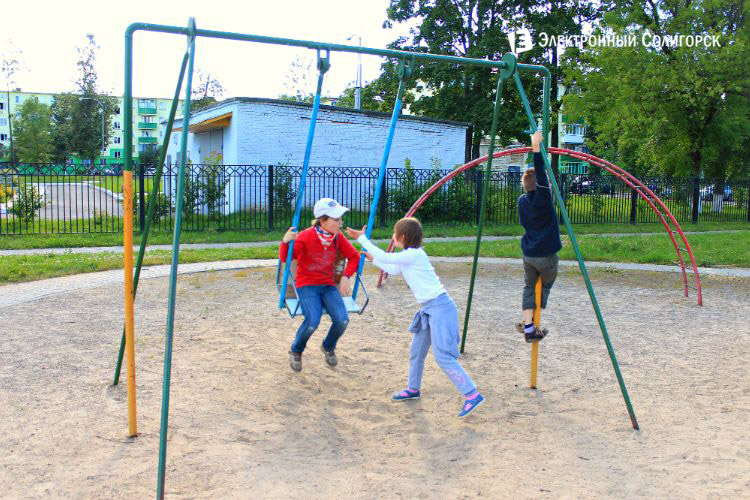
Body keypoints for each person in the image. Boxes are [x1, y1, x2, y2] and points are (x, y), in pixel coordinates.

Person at [346, 218, 484, 418]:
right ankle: (413, 388)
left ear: (402, 236)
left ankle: (472, 394)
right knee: (416, 351)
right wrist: (372, 259)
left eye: (395, 233)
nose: (393, 236)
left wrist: (362, 239)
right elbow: (392, 268)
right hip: (429, 309)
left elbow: (386, 256)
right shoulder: (408, 257)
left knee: (443, 356)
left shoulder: (415, 254)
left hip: (440, 309)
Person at [280, 198, 360, 372]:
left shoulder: (337, 237)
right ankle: (296, 350)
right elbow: (286, 258)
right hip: (307, 285)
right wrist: (285, 242)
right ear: (323, 220)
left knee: (342, 320)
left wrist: (346, 276)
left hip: (327, 285)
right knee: (312, 322)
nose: (341, 223)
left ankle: (328, 346)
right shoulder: (305, 236)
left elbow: (354, 257)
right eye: (336, 219)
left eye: (340, 218)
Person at [515, 130, 562, 343]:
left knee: (528, 287)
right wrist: (536, 147)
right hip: (546, 255)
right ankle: (534, 322)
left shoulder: (522, 201)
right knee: (545, 286)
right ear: (542, 185)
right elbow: (541, 174)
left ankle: (528, 327)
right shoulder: (544, 197)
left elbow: (534, 179)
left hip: (529, 254)